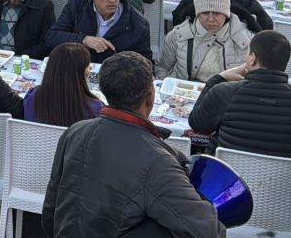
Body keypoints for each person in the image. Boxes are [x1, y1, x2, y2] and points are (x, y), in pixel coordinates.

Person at [42, 51, 223, 237]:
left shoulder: (76, 131)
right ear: (150, 98)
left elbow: (50, 209)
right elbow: (208, 231)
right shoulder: (158, 161)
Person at [188, 29, 291, 160]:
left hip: (229, 183)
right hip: (290, 186)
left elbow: (197, 125)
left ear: (252, 58)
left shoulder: (225, 93)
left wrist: (218, 78)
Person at [48, 0, 152, 62]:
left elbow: (146, 63)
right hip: (76, 70)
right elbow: (52, 37)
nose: (112, 0)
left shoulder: (138, 24)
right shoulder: (75, 6)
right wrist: (83, 39)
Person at [155, 0, 251, 81]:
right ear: (197, 13)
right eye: (205, 13)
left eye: (217, 13)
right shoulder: (178, 35)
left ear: (226, 13)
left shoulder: (247, 39)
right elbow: (162, 68)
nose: (210, 19)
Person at [23, 42, 103, 127]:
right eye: (88, 66)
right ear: (83, 72)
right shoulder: (95, 109)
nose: (90, 70)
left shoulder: (32, 97)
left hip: (36, 140)